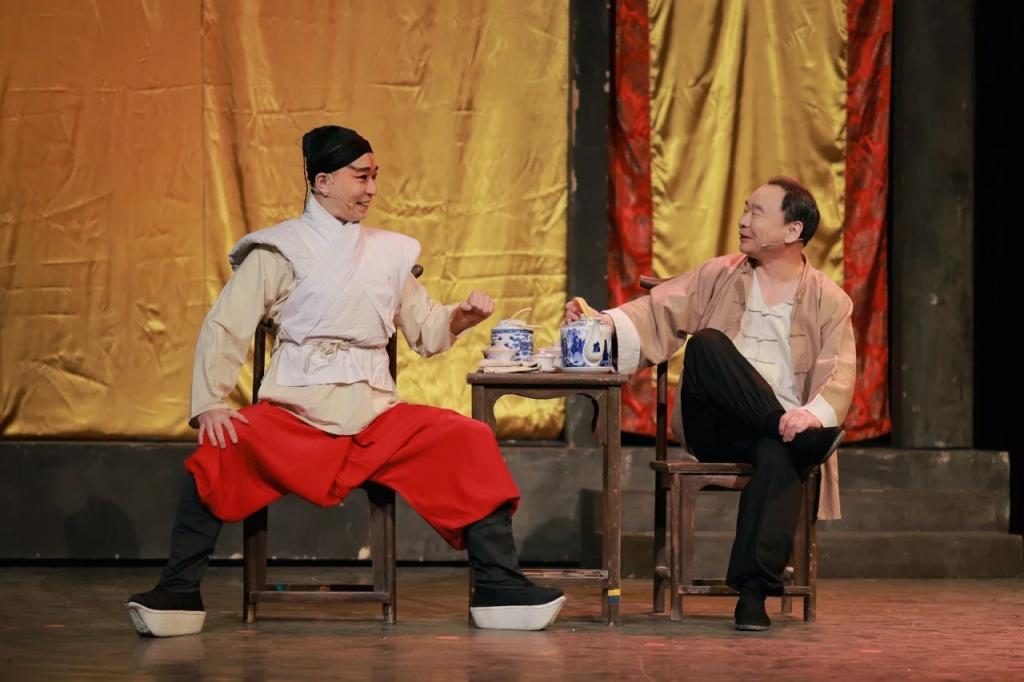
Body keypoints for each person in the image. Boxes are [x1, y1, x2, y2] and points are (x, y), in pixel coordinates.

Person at [126, 125, 565, 636]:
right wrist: (210, 403)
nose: (372, 188)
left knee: (468, 438)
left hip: (376, 417)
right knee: (219, 448)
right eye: (361, 177)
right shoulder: (277, 251)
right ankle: (178, 591)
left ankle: (500, 587)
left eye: (375, 176)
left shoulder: (389, 253)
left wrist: (460, 317)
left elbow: (425, 331)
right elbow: (226, 324)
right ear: (322, 181)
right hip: (294, 415)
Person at [566, 177, 855, 631]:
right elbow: (655, 312)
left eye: (757, 212)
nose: (743, 220)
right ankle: (782, 428)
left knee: (778, 454)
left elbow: (840, 373)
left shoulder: (829, 300)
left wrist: (807, 417)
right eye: (745, 209)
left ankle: (753, 594)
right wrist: (599, 323)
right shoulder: (720, 274)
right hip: (717, 426)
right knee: (706, 344)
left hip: (783, 434)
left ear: (793, 230)